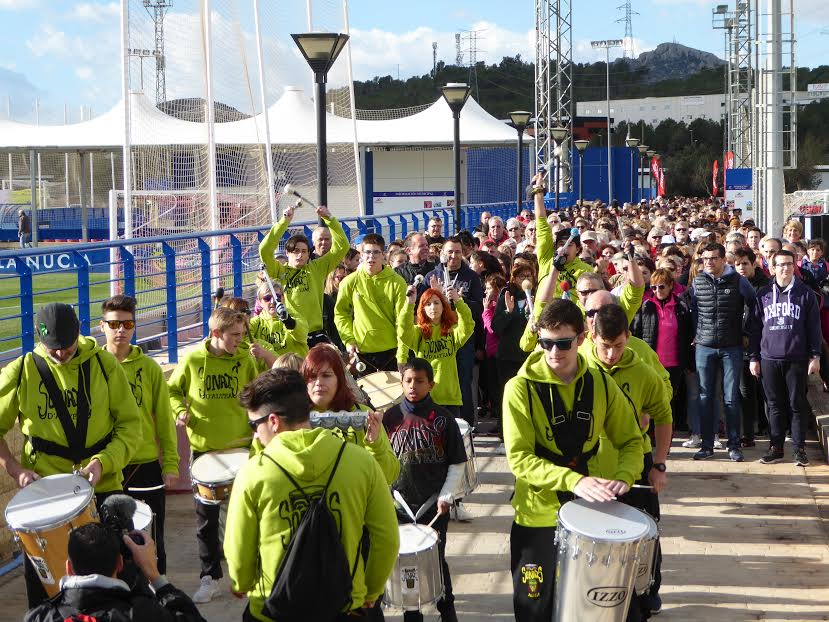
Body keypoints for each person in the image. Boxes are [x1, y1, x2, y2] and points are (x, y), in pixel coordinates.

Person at [503, 299, 642, 622]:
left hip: (590, 515)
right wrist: (574, 481)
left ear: (582, 338)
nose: (554, 352)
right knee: (533, 611)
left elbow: (632, 440)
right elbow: (520, 460)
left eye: (563, 343)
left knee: (596, 609)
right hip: (537, 517)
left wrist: (625, 475)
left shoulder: (600, 382)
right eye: (546, 343)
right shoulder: (519, 389)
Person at [225, 369, 400, 622]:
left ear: (273, 421)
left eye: (254, 425)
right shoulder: (361, 462)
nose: (255, 434)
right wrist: (370, 591)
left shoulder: (253, 473)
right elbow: (387, 538)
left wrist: (241, 581)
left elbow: (238, 548)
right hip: (345, 606)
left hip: (273, 610)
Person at [0, 302, 141, 607]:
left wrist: (104, 461)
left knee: (114, 591)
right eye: (53, 348)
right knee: (47, 596)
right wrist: (13, 468)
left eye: (67, 346)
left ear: (79, 332)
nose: (61, 353)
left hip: (102, 489)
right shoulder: (22, 370)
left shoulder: (105, 365)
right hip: (46, 499)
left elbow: (131, 427)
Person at [167, 306, 260, 604]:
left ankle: (250, 571)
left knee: (246, 516)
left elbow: (257, 397)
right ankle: (210, 577)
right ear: (216, 334)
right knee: (205, 520)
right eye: (234, 335)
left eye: (243, 334)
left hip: (242, 448)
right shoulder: (194, 360)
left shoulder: (245, 358)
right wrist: (180, 411)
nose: (240, 340)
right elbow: (172, 391)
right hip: (205, 451)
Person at [587, 304, 672, 617]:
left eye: (618, 346)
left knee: (646, 534)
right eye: (604, 347)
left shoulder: (643, 370)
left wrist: (659, 464)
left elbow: (664, 416)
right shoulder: (577, 364)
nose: (611, 355)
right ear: (590, 337)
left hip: (634, 461)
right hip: (588, 468)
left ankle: (647, 591)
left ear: (629, 337)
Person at [383, 359, 466, 622]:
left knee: (437, 560)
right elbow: (379, 462)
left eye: (419, 381)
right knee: (407, 563)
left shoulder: (443, 419)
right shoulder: (389, 418)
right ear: (401, 383)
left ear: (431, 384)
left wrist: (446, 495)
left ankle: (447, 608)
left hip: (432, 504)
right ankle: (411, 611)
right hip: (400, 505)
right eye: (408, 380)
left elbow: (457, 462)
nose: (413, 386)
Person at [101, 295, 178, 576]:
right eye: (114, 324)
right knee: (110, 544)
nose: (121, 330)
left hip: (144, 466)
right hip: (107, 468)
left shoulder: (149, 369)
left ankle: (159, 602)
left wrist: (170, 463)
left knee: (150, 541)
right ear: (102, 326)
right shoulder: (94, 367)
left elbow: (164, 420)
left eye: (128, 324)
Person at [24, 523, 206, 622]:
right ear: (120, 563)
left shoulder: (39, 617)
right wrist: (154, 575)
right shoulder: (143, 613)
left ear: (69, 568)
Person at [750, 250, 822, 466]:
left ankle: (799, 449)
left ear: (794, 266)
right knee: (774, 405)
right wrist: (754, 358)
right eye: (780, 264)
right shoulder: (762, 294)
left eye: (789, 264)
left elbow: (813, 328)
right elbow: (754, 329)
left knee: (796, 404)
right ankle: (776, 447)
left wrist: (815, 356)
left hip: (797, 358)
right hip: (769, 358)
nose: (785, 268)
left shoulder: (806, 294)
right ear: (772, 267)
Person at [688, 242, 759, 462]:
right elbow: (692, 311)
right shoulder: (697, 282)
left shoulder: (739, 281)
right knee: (705, 397)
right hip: (704, 346)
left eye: (713, 258)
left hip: (732, 347)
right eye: (705, 258)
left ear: (722, 260)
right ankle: (707, 445)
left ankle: (734, 445)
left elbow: (754, 306)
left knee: (730, 398)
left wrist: (746, 332)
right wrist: (696, 334)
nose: (708, 262)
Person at [301, 344, 399, 484]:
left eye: (326, 375)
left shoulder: (363, 414)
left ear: (339, 380)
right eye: (312, 376)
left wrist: (375, 444)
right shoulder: (296, 419)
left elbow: (390, 476)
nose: (318, 383)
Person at [259, 203, 349, 347]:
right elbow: (264, 250)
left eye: (304, 251)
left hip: (316, 335)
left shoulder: (317, 268)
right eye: (295, 251)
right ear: (287, 253)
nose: (300, 255)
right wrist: (284, 222)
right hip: (290, 334)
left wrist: (329, 218)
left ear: (309, 254)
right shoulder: (278, 271)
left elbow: (342, 245)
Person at [424, 237, 485, 428]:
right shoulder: (431, 276)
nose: (453, 256)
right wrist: (437, 295)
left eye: (457, 252)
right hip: (438, 338)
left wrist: (459, 299)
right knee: (436, 381)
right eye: (450, 252)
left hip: (462, 338)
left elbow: (479, 310)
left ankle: (467, 425)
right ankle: (437, 424)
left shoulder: (471, 277)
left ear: (463, 253)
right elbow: (422, 308)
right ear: (443, 253)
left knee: (463, 380)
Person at [335, 233, 409, 374]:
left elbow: (403, 321)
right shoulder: (349, 282)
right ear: (361, 255)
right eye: (367, 252)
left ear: (384, 255)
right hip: (362, 353)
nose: (371, 257)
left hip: (392, 352)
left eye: (376, 252)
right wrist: (349, 340)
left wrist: (402, 355)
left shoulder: (397, 282)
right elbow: (341, 313)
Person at [398, 285, 474, 416]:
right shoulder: (419, 333)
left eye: (436, 303)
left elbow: (468, 325)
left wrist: (458, 301)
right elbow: (403, 331)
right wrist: (409, 304)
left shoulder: (452, 331)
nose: (433, 307)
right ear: (423, 309)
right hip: (425, 398)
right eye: (428, 304)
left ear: (443, 306)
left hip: (450, 398)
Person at [249, 282, 309, 359]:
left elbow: (303, 335)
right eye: (267, 298)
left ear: (283, 299)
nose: (272, 301)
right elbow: (244, 338)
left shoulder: (293, 315)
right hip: (272, 369)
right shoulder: (256, 323)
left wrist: (289, 322)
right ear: (260, 302)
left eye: (277, 297)